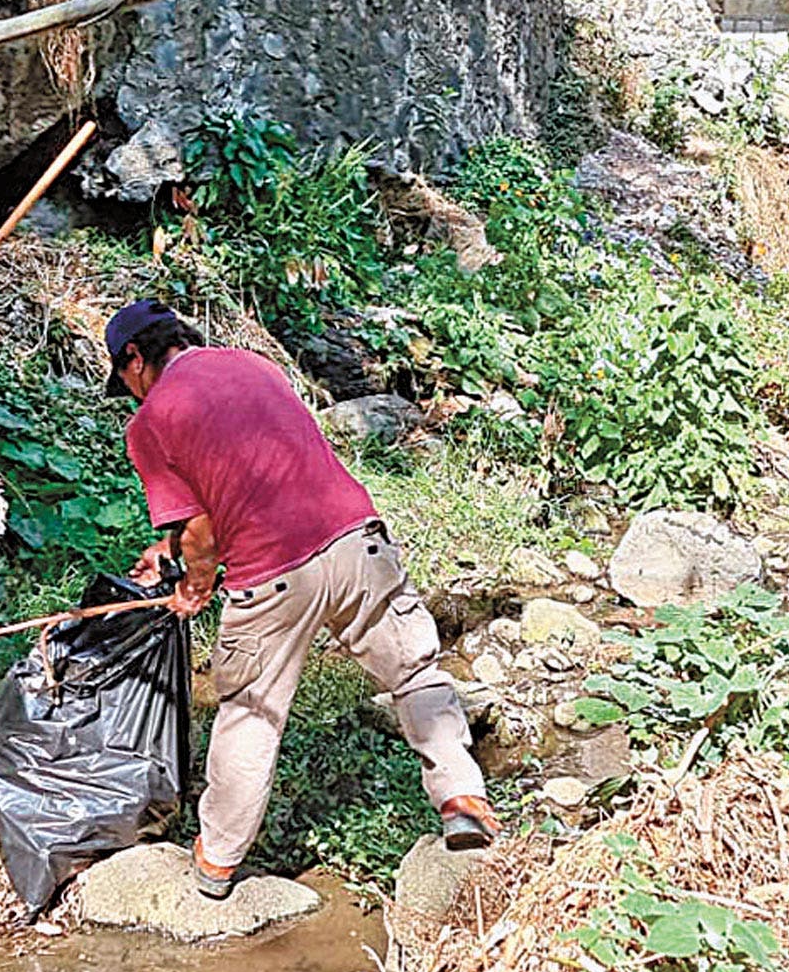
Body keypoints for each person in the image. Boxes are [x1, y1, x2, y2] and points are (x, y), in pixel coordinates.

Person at [100, 300, 498, 900]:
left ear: (134, 357)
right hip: (357, 542)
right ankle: (461, 799)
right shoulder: (252, 364)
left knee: (251, 712)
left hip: (273, 574)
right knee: (414, 673)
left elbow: (203, 529)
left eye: (125, 379)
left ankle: (216, 861)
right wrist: (171, 551)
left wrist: (193, 585)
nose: (132, 394)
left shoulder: (152, 420)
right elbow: (253, 478)